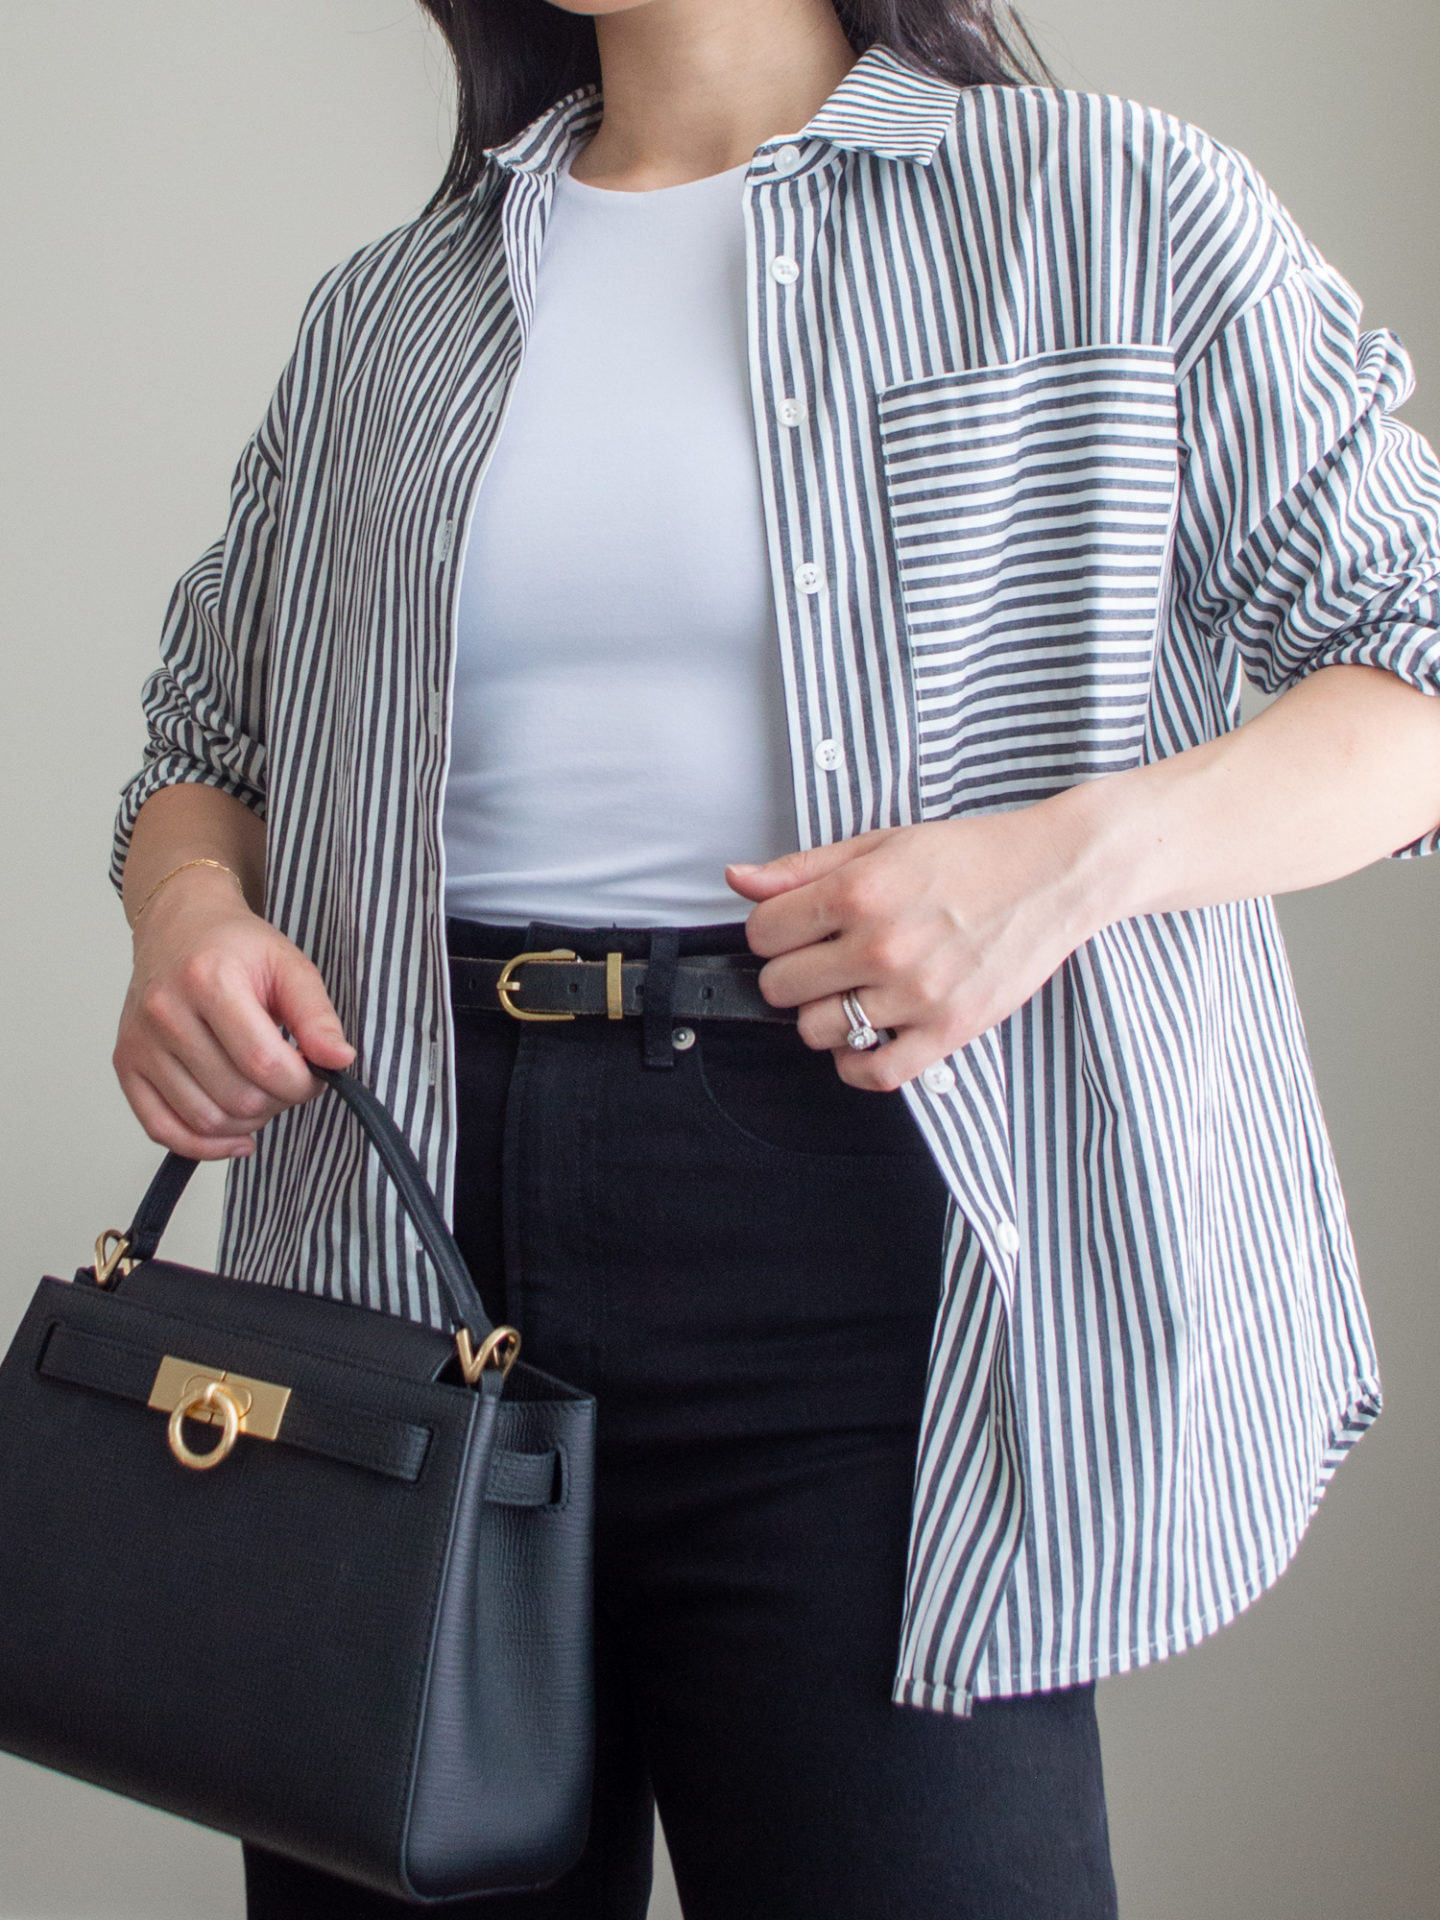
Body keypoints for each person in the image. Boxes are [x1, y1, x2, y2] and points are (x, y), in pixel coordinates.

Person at [109, 2, 1440, 1915]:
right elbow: (203, 750)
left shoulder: (1109, 206)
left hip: (883, 1247)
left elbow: (1415, 664)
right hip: (408, 1241)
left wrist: (1062, 866)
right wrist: (189, 914)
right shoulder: (391, 311)